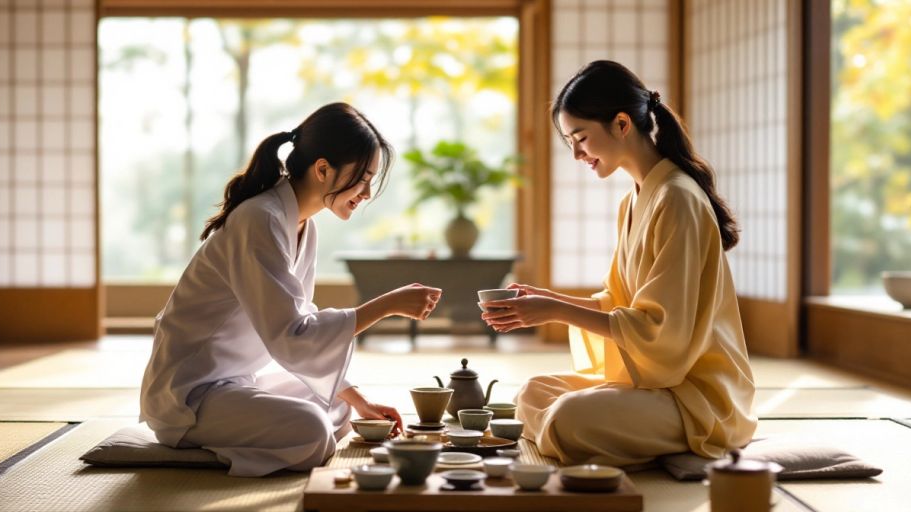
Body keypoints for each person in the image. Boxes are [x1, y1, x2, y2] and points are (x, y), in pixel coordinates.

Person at [140, 102, 443, 477]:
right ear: (322, 169)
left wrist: (360, 401)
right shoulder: (259, 219)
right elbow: (292, 337)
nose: (366, 193)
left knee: (340, 408)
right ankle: (203, 447)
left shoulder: (302, 226)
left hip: (234, 383)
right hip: (188, 396)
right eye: (363, 178)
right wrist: (385, 306)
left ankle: (250, 435)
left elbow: (302, 321)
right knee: (313, 431)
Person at [481, 61, 756, 467]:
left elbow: (659, 333)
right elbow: (619, 304)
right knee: (533, 393)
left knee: (566, 419)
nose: (576, 153)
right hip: (658, 385)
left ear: (622, 124)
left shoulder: (677, 198)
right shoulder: (634, 199)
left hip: (696, 395)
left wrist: (556, 311)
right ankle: (623, 439)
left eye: (581, 138)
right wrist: (547, 299)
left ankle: (636, 442)